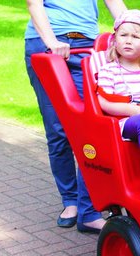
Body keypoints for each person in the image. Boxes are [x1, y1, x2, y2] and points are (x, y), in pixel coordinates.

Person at [24, 0, 126, 233]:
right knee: (58, 129)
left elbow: (115, 4)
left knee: (90, 129)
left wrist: (138, 31)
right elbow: (33, 4)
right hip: (46, 45)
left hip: (87, 46)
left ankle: (88, 208)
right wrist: (51, 42)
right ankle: (70, 201)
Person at [96, 10, 140, 164]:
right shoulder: (109, 70)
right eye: (123, 35)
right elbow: (102, 102)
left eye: (136, 36)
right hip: (124, 122)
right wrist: (133, 111)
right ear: (114, 40)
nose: (128, 41)